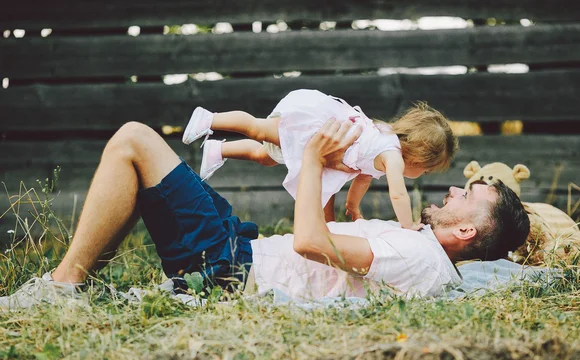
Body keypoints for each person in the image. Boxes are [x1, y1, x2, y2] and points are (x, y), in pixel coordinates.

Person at [0, 119, 529, 310]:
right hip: (239, 248)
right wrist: (332, 167)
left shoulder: (417, 254)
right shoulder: (413, 239)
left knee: (134, 140)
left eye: (468, 194)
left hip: (230, 269)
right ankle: (75, 280)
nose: (455, 187)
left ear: (465, 229)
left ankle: (64, 285)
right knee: (146, 166)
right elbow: (328, 233)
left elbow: (310, 242)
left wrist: (311, 159)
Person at [183, 89, 457, 228]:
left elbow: (361, 180)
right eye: (426, 171)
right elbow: (398, 195)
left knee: (267, 156)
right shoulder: (393, 157)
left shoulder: (384, 153)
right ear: (420, 158)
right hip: (314, 128)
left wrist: (354, 207)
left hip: (321, 148)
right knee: (257, 128)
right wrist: (407, 224)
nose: (421, 175)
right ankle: (209, 118)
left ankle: (218, 150)